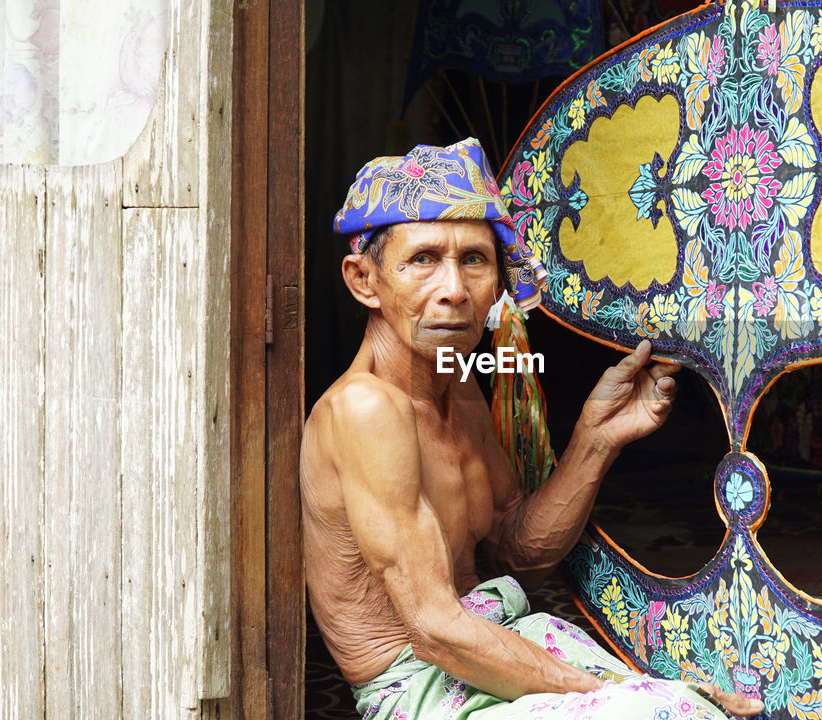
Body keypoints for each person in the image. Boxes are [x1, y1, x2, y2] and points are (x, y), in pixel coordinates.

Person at [301, 138, 764, 720]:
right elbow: (435, 631)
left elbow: (518, 555)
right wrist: (619, 694)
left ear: (497, 282)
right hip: (425, 690)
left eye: (473, 259)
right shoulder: (365, 408)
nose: (453, 288)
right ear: (364, 279)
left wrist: (597, 437)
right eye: (422, 260)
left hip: (497, 645)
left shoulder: (460, 386)